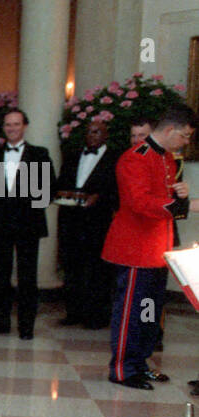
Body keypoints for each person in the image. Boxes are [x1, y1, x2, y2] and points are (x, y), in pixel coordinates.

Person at [101, 105, 194, 389]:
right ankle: (122, 369)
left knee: (150, 310)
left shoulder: (166, 158)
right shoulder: (135, 158)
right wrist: (186, 207)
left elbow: (162, 195)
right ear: (170, 130)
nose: (187, 141)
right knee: (130, 311)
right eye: (185, 135)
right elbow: (140, 203)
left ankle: (140, 362)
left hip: (157, 249)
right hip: (135, 250)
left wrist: (181, 193)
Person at [0, 109, 54, 340]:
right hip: (1, 224)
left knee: (27, 277)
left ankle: (26, 327)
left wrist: (28, 202)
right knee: (0, 275)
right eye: (8, 125)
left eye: (16, 124)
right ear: (4, 128)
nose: (12, 128)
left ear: (24, 126)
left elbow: (49, 189)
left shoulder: (39, 154)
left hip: (28, 224)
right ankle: (0, 323)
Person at [54, 118, 119, 329]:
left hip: (97, 222)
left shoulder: (114, 159)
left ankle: (96, 317)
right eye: (90, 132)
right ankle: (73, 312)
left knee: (97, 270)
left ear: (106, 135)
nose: (92, 135)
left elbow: (117, 192)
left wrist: (99, 197)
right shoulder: (72, 155)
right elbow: (62, 183)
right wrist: (63, 193)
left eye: (97, 132)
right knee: (72, 267)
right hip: (71, 221)